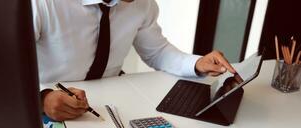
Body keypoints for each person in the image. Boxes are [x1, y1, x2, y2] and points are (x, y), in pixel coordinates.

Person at [31, 0, 236, 121]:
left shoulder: (142, 4)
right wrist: (42, 99)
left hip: (112, 104)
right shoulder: (41, 4)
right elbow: (4, 70)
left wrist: (196, 63)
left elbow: (157, 51)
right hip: (47, 107)